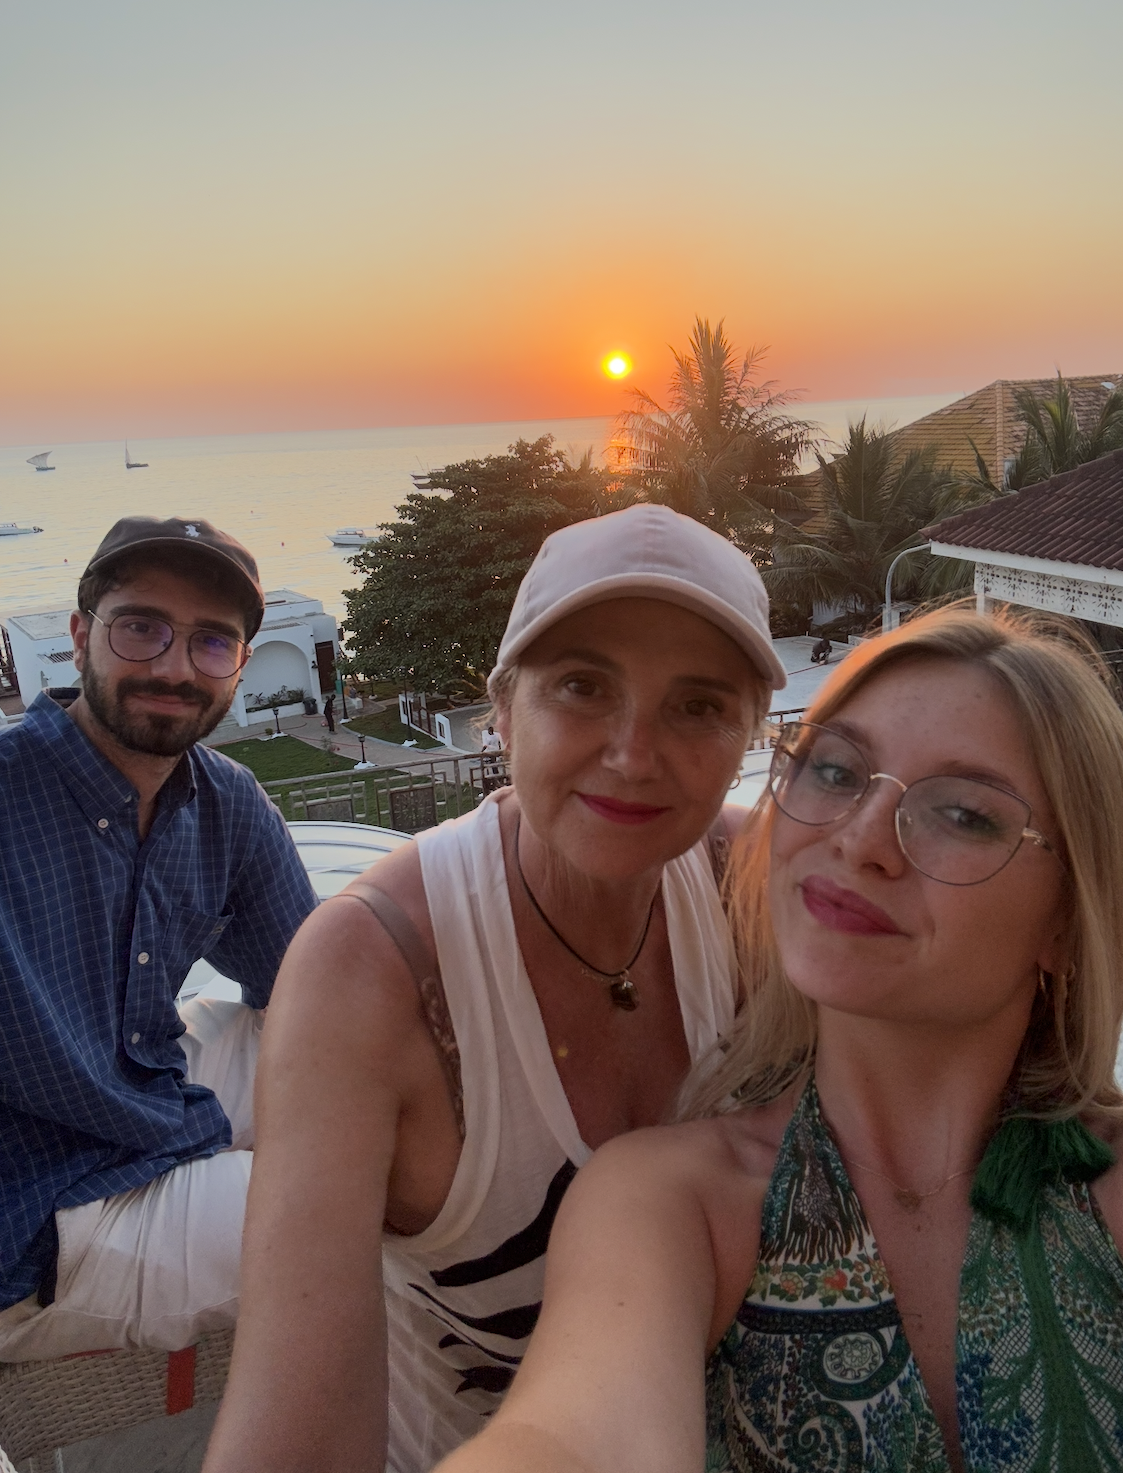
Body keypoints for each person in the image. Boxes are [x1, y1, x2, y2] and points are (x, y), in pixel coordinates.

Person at [432, 602, 1123, 1473]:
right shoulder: (675, 1205)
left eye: (964, 815)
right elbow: (572, 1435)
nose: (859, 842)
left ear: (1068, 926)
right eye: (837, 771)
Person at [204, 504, 786, 1473]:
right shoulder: (374, 972)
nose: (634, 752)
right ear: (503, 710)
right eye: (582, 687)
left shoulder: (753, 890)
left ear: (747, 736)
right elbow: (293, 1431)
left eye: (697, 705)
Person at [0, 516, 316, 1362]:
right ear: (79, 638)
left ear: (241, 666)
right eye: (141, 627)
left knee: (343, 1042)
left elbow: (317, 983)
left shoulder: (224, 801)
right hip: (41, 1208)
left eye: (212, 641)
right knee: (364, 1207)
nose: (175, 667)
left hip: (139, 1089)